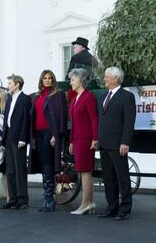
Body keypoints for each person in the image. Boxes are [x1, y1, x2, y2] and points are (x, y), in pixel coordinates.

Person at [97, 67, 136, 221]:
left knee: (122, 178)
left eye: (107, 77)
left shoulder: (127, 97)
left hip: (118, 144)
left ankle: (125, 208)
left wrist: (125, 142)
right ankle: (111, 207)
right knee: (108, 178)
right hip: (104, 144)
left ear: (115, 79)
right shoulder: (103, 96)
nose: (104, 79)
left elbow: (129, 122)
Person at [29, 70, 68, 212]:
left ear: (53, 80)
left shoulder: (58, 95)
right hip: (37, 134)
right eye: (45, 78)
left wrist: (55, 135)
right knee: (42, 166)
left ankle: (49, 200)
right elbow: (32, 117)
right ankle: (47, 198)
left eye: (49, 78)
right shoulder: (36, 96)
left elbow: (62, 116)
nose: (47, 80)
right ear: (41, 80)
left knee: (48, 166)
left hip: (49, 134)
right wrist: (31, 137)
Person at [68, 68, 98, 215]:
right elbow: (73, 122)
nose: (70, 82)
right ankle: (89, 202)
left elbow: (94, 119)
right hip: (77, 139)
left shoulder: (89, 97)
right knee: (82, 171)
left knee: (85, 172)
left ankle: (86, 203)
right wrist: (72, 141)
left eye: (73, 79)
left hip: (86, 139)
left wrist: (95, 138)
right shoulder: (75, 98)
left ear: (81, 80)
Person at [1, 75, 31, 210]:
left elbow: (26, 119)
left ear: (17, 84)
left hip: (19, 138)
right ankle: (12, 198)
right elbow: (6, 120)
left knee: (19, 169)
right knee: (10, 170)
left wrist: (23, 138)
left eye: (10, 83)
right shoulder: (9, 99)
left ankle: (22, 199)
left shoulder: (25, 99)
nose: (8, 85)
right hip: (8, 137)